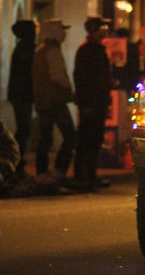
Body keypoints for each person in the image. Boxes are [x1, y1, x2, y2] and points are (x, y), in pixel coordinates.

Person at [32, 18, 76, 185]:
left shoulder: (40, 51)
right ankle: (59, 171)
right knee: (70, 136)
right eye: (62, 30)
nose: (64, 34)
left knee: (45, 138)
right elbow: (58, 77)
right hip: (55, 101)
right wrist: (70, 91)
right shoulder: (53, 51)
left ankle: (41, 172)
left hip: (43, 102)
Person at [72, 17, 113, 189]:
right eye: (102, 28)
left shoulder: (95, 49)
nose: (105, 31)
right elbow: (82, 78)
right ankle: (82, 177)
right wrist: (86, 102)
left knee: (94, 139)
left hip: (97, 102)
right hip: (91, 103)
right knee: (87, 139)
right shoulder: (88, 50)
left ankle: (89, 175)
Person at [7, 20, 36, 174]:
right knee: (24, 129)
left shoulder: (22, 48)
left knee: (24, 129)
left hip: (20, 95)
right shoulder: (26, 49)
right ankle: (16, 162)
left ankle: (17, 162)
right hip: (22, 95)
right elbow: (26, 75)